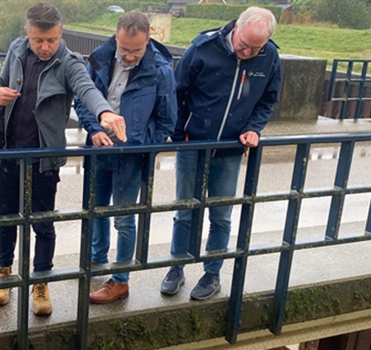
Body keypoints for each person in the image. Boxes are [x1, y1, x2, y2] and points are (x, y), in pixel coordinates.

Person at [0, 3, 126, 316]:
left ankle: (41, 281)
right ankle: (4, 273)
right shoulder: (16, 50)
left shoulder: (69, 61)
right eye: (38, 40)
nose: (45, 47)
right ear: (27, 33)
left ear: (60, 33)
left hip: (44, 159)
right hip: (8, 152)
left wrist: (104, 111)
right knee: (6, 218)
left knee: (43, 223)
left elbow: (86, 88)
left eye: (51, 39)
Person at [160, 6, 281, 300]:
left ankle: (212, 273)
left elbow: (269, 98)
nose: (248, 53)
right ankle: (177, 267)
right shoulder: (203, 47)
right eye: (244, 45)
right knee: (185, 210)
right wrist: (180, 135)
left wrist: (254, 127)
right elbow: (177, 90)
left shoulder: (270, 56)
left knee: (221, 214)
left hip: (229, 148)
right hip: (194, 142)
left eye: (256, 48)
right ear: (235, 28)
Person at [75, 10, 177, 304]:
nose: (130, 56)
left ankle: (120, 280)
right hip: (98, 147)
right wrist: (94, 129)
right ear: (115, 38)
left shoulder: (160, 70)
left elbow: (167, 120)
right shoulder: (99, 57)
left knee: (123, 217)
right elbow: (82, 99)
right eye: (124, 49)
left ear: (149, 40)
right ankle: (96, 257)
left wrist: (140, 145)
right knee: (94, 207)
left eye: (137, 50)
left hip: (131, 156)